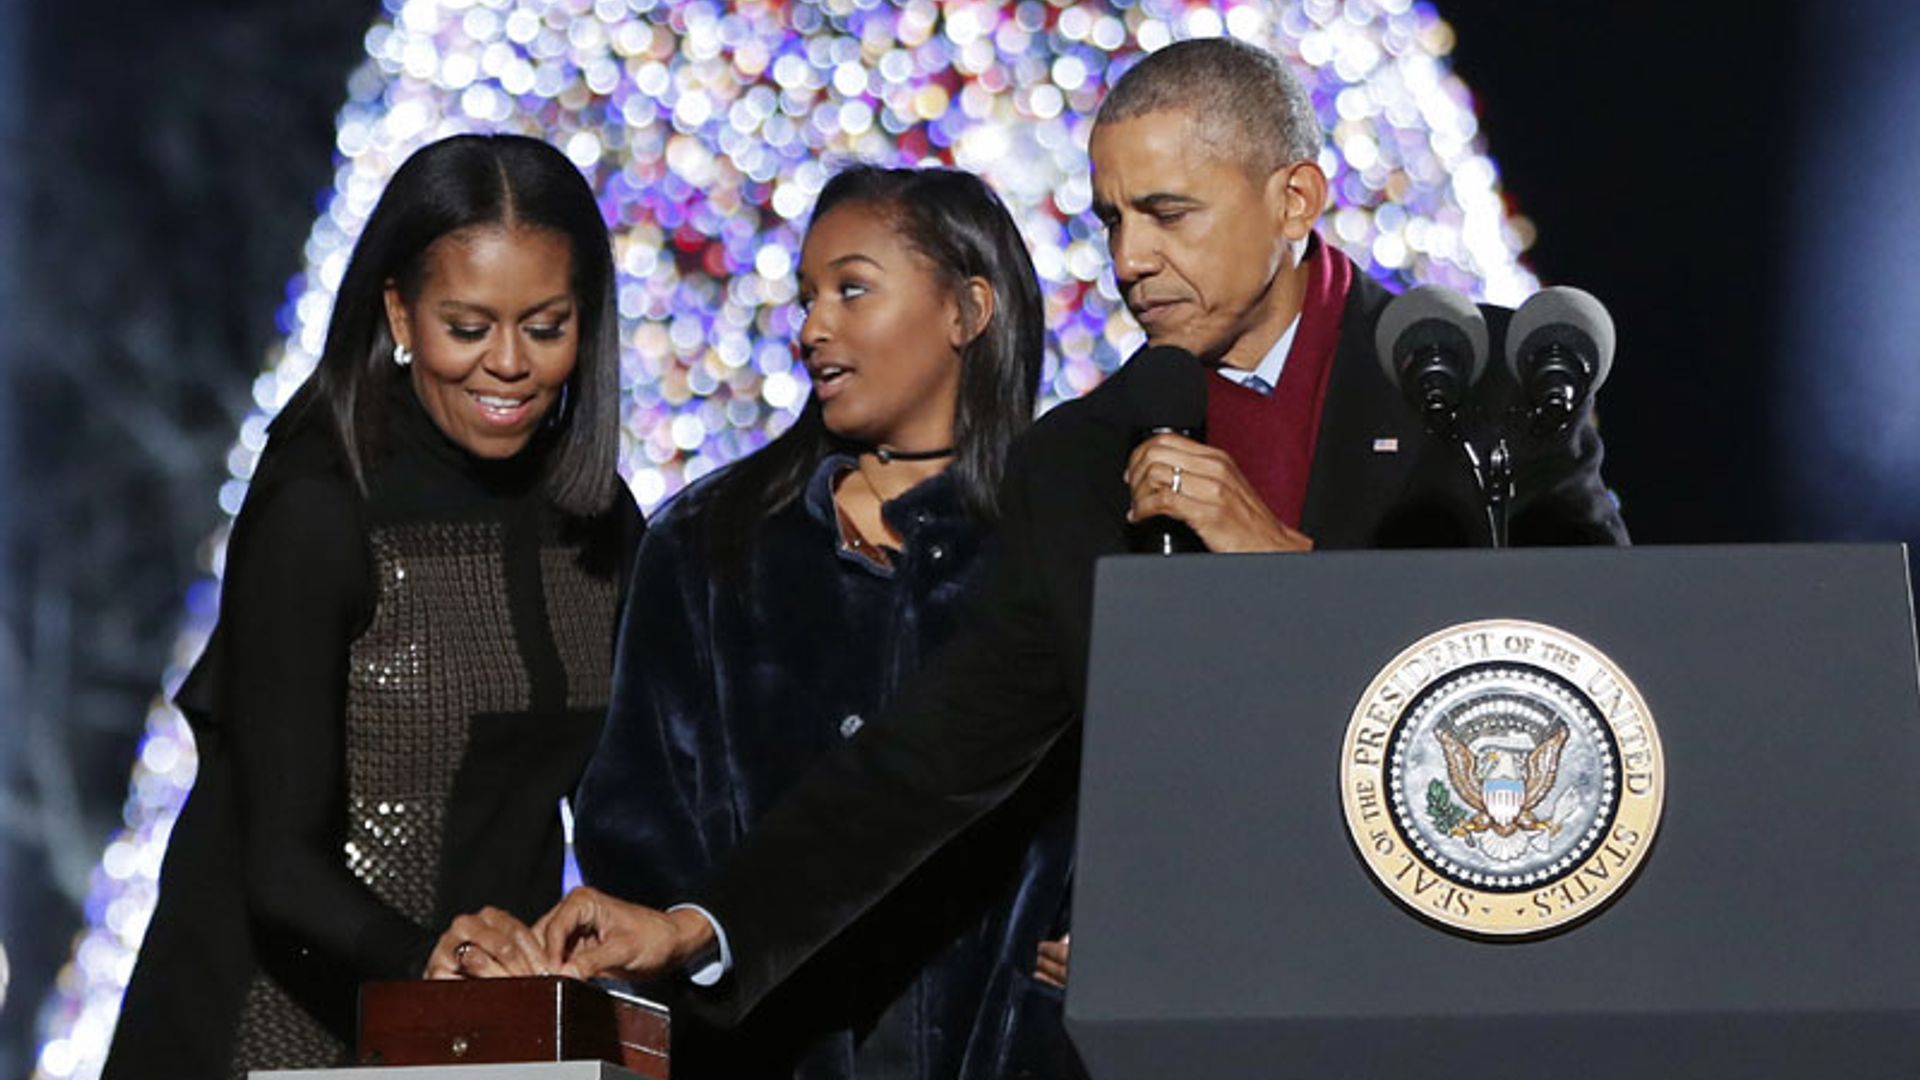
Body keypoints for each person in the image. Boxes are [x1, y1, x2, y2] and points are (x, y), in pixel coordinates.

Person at [533, 36, 1628, 1024]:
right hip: (1207, 1000)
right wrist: (701, 921)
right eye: (1113, 219)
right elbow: (935, 751)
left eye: (1169, 212)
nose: (1130, 258)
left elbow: (1607, 674)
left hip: (1469, 972)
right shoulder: (1081, 458)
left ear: (1294, 199)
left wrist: (1290, 576)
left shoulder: (1486, 388)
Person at [104, 133, 640, 1079]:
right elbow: (276, 863)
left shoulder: (600, 518)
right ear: (399, 310)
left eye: (545, 327)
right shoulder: (320, 501)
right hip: (272, 1030)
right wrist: (421, 959)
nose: (508, 364)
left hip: (488, 1039)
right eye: (467, 328)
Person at [568, 164, 1079, 1080]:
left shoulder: (1057, 547)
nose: (813, 328)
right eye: (806, 297)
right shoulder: (709, 542)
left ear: (968, 311)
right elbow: (634, 825)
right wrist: (694, 942)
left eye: (852, 289)